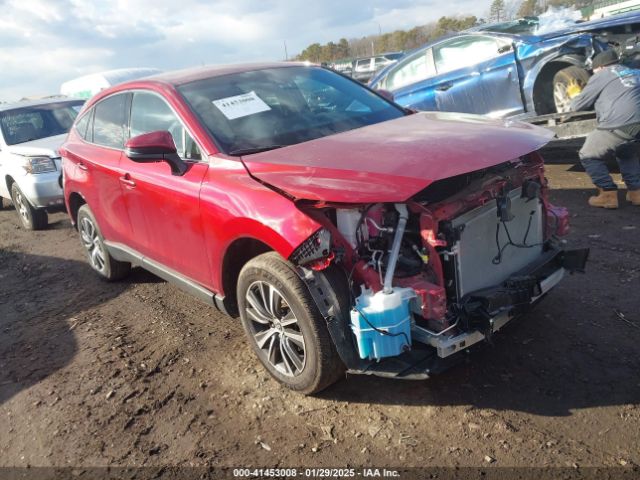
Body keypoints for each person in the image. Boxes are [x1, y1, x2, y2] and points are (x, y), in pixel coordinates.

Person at [570, 49, 640, 208]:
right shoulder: (634, 72)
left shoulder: (602, 75)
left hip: (620, 124)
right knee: (626, 153)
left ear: (600, 67)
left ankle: (607, 194)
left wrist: (576, 94)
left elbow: (576, 106)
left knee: (588, 154)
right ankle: (636, 193)